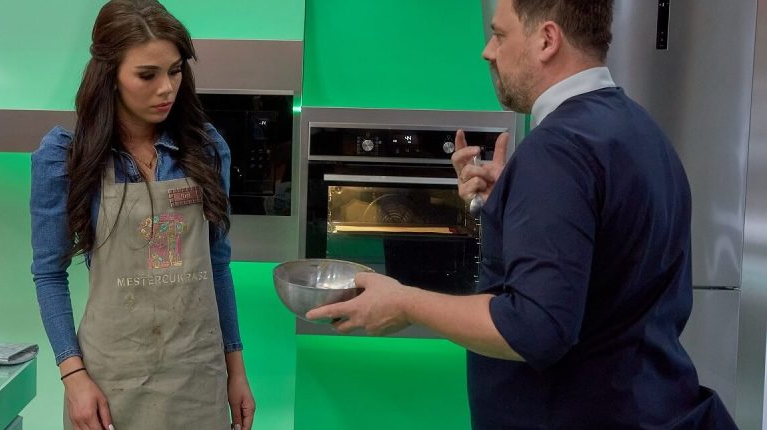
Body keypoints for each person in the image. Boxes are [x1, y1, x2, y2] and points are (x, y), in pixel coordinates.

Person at [306, 0, 737, 428]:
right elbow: (606, 264)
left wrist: (406, 303)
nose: (487, 51)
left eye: (499, 34)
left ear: (547, 39)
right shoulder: (640, 130)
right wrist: (513, 202)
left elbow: (535, 328)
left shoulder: (558, 149)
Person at [30, 1, 255, 429]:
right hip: (110, 383)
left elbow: (217, 267)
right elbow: (49, 275)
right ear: (110, 75)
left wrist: (237, 372)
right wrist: (74, 377)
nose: (167, 88)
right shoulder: (66, 159)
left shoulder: (206, 150)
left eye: (175, 70)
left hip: (197, 377)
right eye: (147, 75)